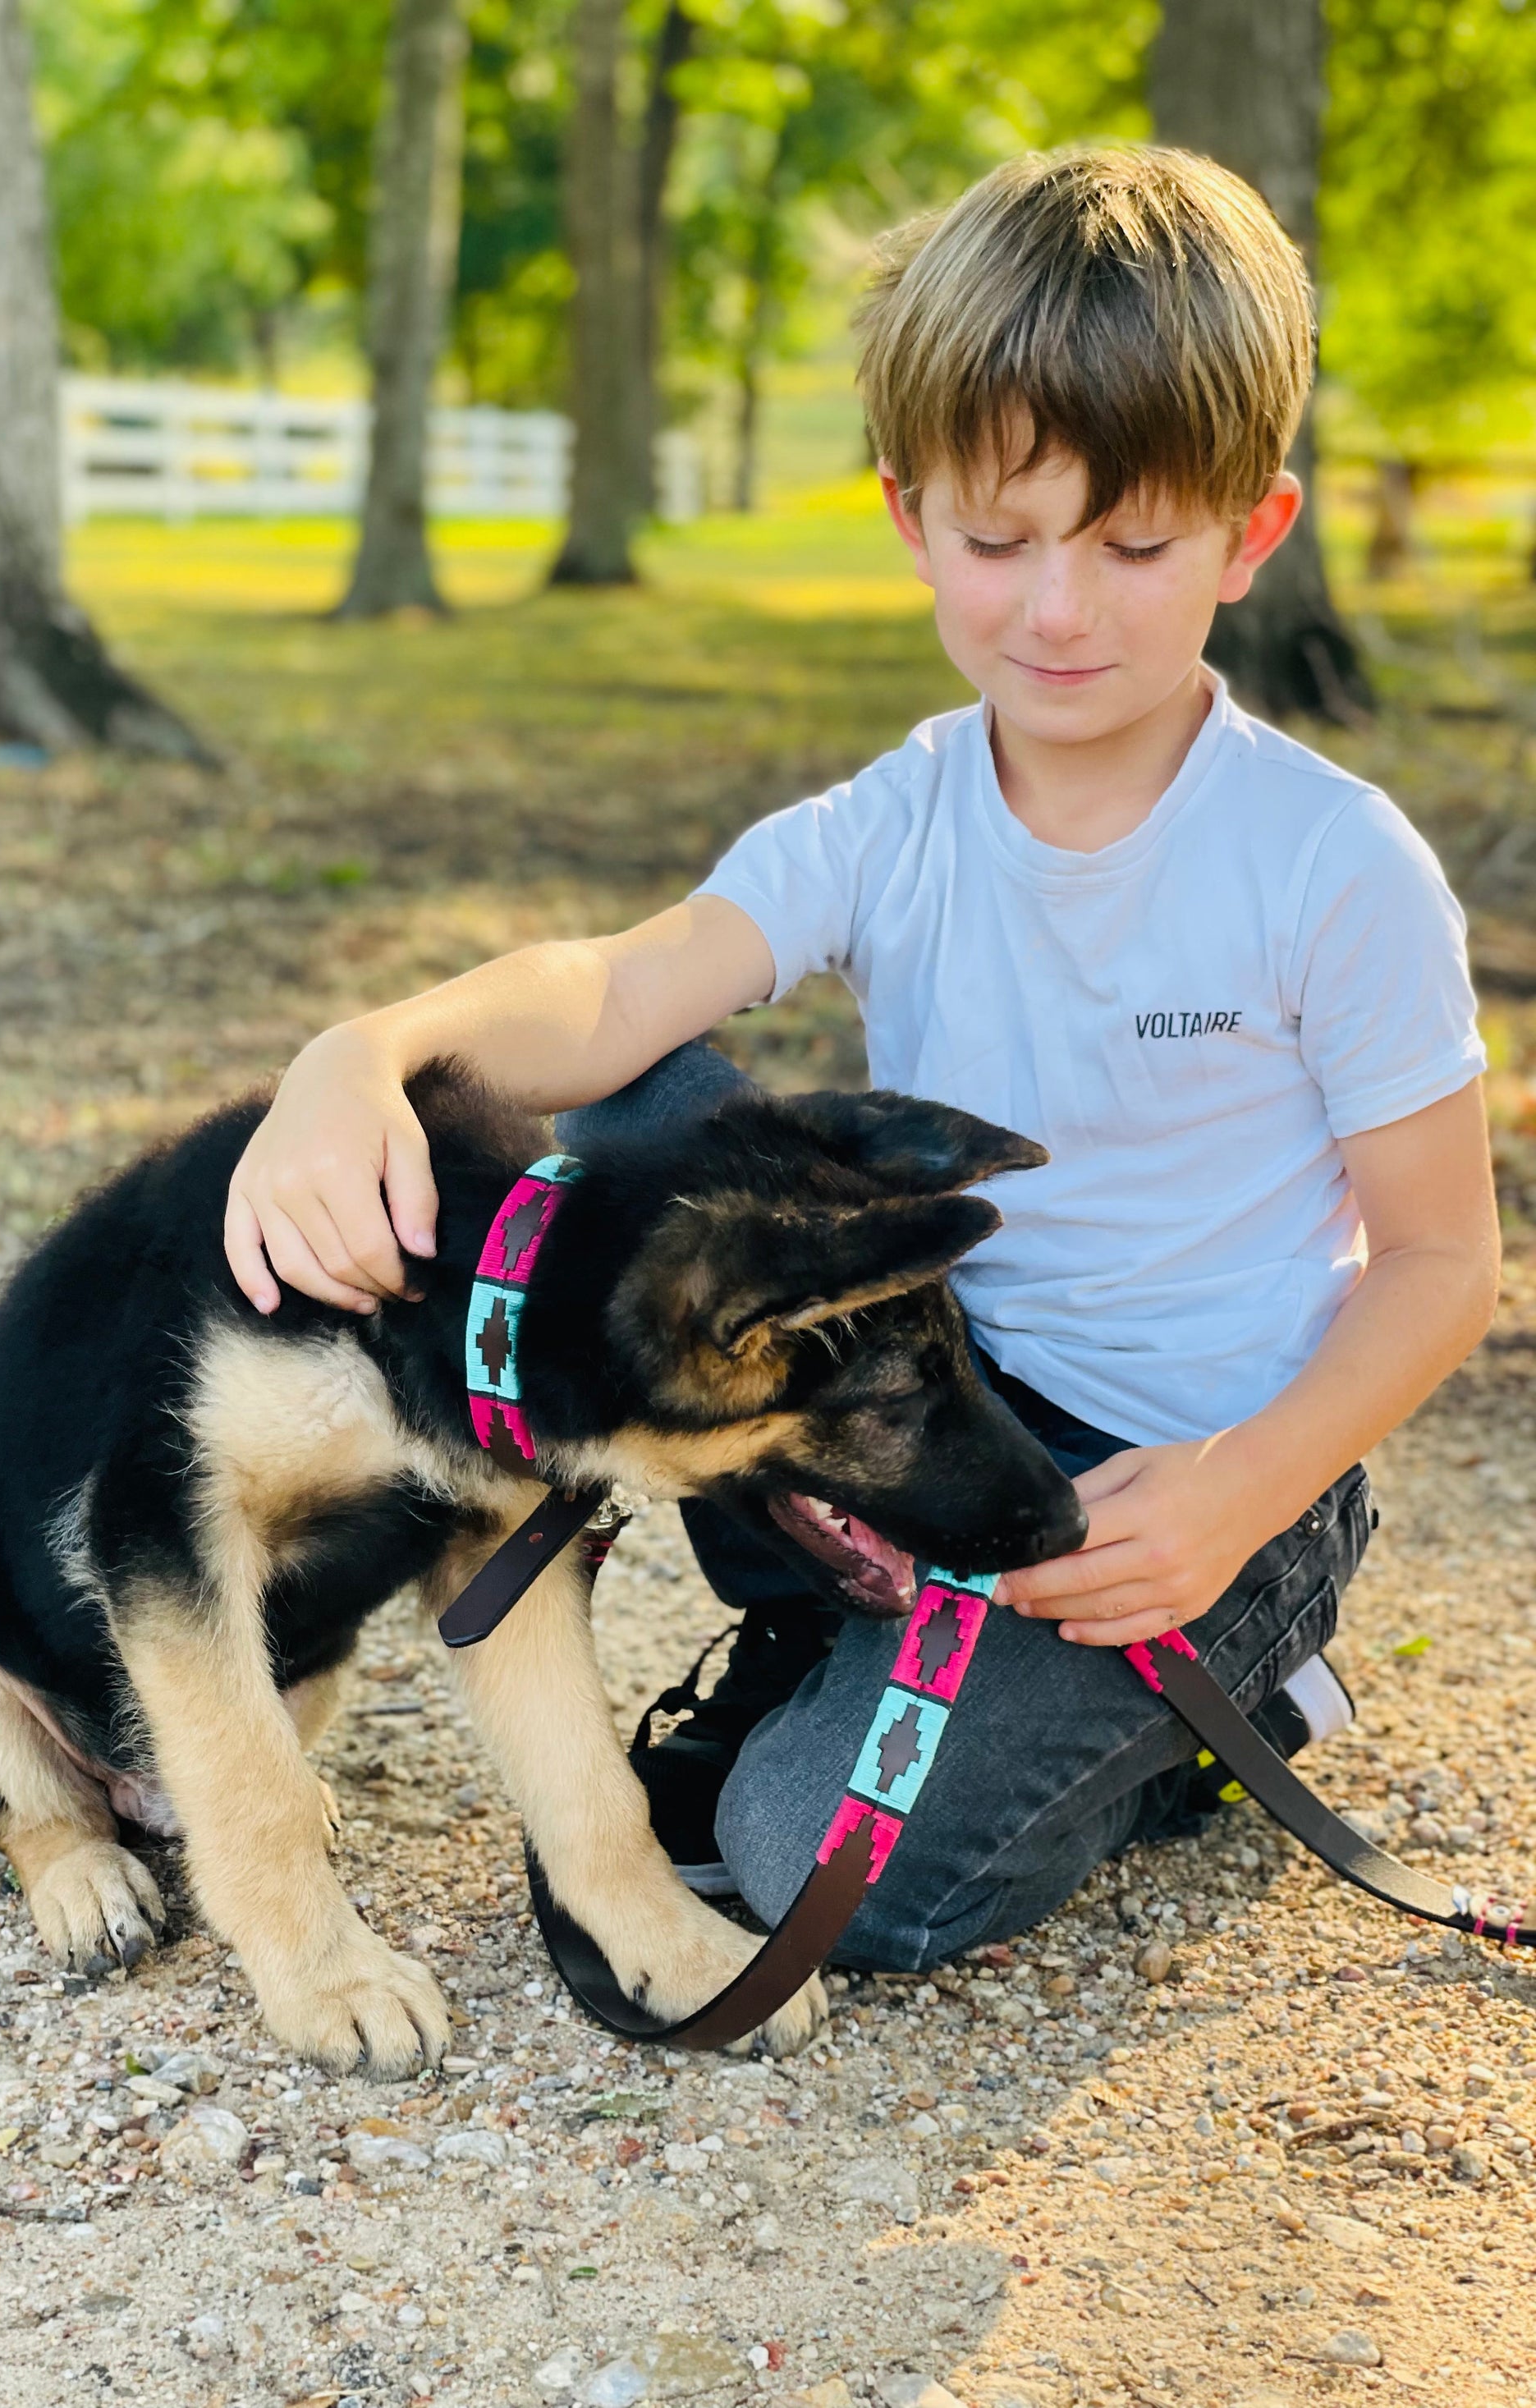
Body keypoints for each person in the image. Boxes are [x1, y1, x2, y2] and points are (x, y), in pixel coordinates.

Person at [220, 147, 1497, 1971]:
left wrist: (1234, 1491)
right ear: (910, 517)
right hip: (917, 1404)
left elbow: (1444, 1263)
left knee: (823, 1865)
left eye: (1131, 547)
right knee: (639, 1123)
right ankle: (867, 1625)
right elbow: (611, 997)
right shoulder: (894, 816)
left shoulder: (1326, 863)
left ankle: (1216, 1706)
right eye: (997, 540)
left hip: (1187, 1480)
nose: (1055, 610)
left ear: (1248, 533)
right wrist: (363, 1051)